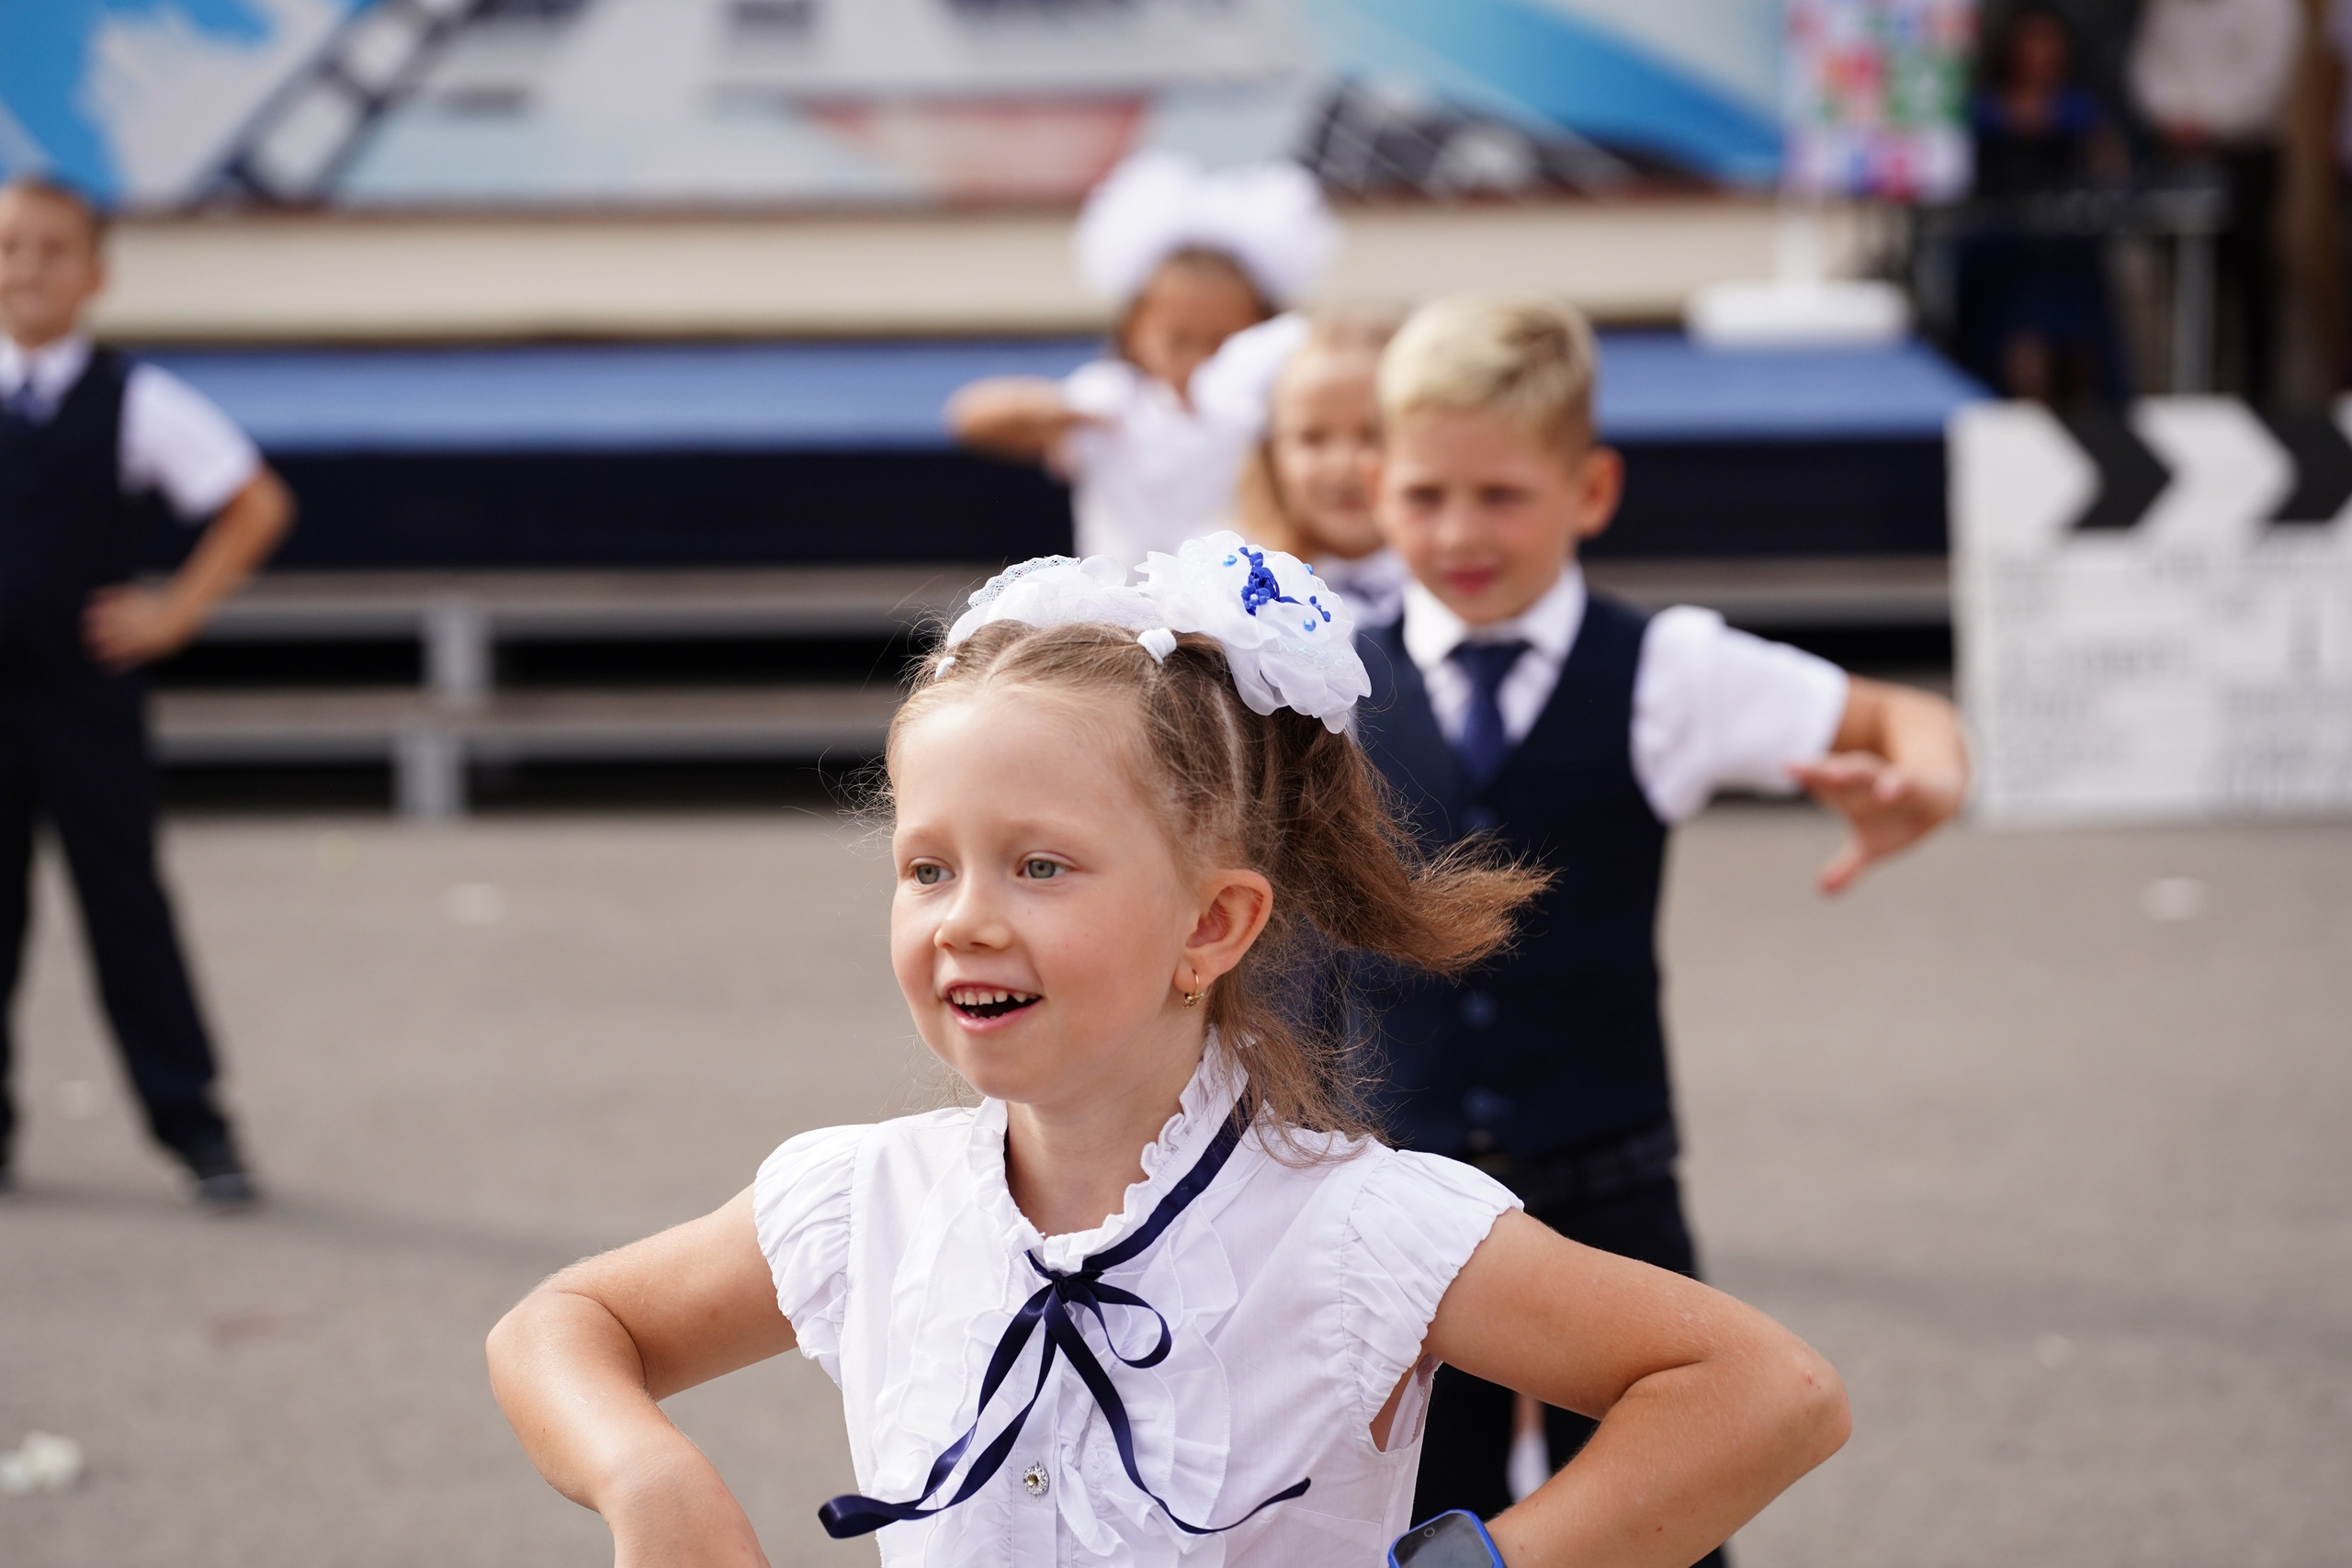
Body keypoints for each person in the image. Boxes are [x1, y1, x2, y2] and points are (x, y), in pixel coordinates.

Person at [486, 540, 1851, 1567]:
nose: (967, 917)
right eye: (926, 865)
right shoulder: (864, 1198)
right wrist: (645, 1473)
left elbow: (1764, 1391)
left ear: (1212, 922)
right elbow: (559, 1325)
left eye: (1039, 865)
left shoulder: (1359, 1223)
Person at [1350, 297, 1967, 1534]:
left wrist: (1923, 786)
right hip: (1391, 1195)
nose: (1461, 531)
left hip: (1606, 1173)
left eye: (1503, 494)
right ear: (1376, 486)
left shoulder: (1668, 669)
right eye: (1425, 495)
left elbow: (1904, 715)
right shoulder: (1324, 682)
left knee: (1660, 1514)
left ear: (1592, 488)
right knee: (1409, 1518)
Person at [0, 175, 294, 1209]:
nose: (26, 268)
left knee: (126, 910)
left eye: (50, 250)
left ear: (94, 275)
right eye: (8, 247)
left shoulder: (136, 401)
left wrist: (173, 613)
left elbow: (255, 502)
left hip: (84, 702)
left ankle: (194, 1125)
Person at [948, 152, 1338, 567]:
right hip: (1128, 617)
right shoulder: (1114, 398)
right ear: (1135, 333)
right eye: (1178, 339)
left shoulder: (1275, 411)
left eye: (1221, 341)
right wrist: (1056, 411)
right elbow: (971, 417)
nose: (1199, 358)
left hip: (1244, 615)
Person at [1957, 6, 2132, 404]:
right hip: (2001, 250)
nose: (2039, 52)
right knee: (2020, 331)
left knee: (2080, 327)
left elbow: (2110, 169)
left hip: (2065, 248)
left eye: (2047, 40)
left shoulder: (2080, 108)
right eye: (2030, 40)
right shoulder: (1982, 108)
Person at [2129, 0, 2298, 403]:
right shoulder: (2170, 7)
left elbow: (2267, 76)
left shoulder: (2269, 8)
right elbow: (2148, 69)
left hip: (2244, 150)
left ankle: (2259, 394)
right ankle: (2191, 388)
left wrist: (2209, 119)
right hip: (2177, 152)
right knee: (2182, 277)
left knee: (2250, 276)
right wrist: (2174, 116)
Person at [1223, 308, 1413, 626]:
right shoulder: (1233, 589)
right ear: (1270, 454)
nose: (1344, 465)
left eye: (1373, 434)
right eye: (1312, 438)